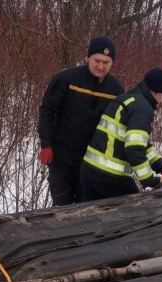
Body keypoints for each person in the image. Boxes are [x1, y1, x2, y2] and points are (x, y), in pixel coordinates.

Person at [37, 36, 124, 206]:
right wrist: (45, 144)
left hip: (92, 160)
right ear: (88, 58)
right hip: (62, 156)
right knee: (62, 205)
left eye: (106, 62)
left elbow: (118, 123)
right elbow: (47, 110)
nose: (101, 66)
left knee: (85, 206)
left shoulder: (115, 88)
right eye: (97, 61)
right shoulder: (67, 78)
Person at [80, 68, 162, 202]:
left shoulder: (127, 98)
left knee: (90, 214)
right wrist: (151, 180)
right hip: (111, 177)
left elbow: (143, 145)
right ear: (156, 91)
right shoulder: (142, 109)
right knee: (138, 210)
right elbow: (135, 148)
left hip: (89, 171)